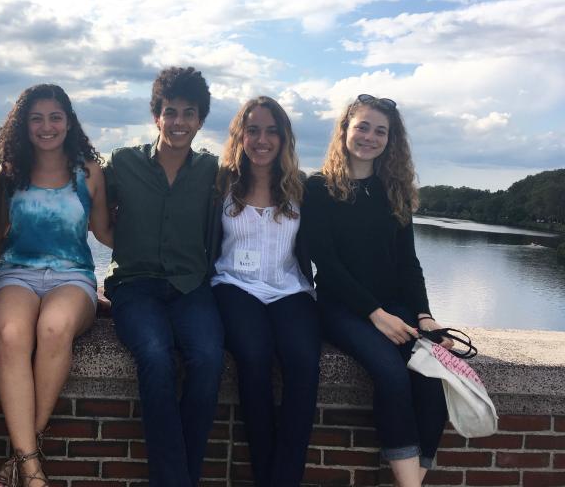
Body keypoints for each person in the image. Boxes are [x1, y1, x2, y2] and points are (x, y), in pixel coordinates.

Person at [303, 94, 453, 487]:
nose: (370, 137)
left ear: (391, 139)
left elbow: (409, 263)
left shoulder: (394, 190)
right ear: (345, 130)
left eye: (380, 131)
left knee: (432, 378)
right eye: (363, 127)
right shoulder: (318, 188)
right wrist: (375, 314)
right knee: (390, 374)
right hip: (340, 308)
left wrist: (423, 314)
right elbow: (327, 265)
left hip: (395, 307)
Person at [104, 67, 224, 487]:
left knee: (209, 360)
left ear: (200, 120)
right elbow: (92, 211)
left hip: (191, 286)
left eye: (188, 113)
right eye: (170, 112)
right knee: (154, 356)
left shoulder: (214, 172)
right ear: (157, 116)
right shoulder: (122, 163)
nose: (178, 122)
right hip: (135, 285)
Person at [0, 84, 112, 487]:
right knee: (12, 335)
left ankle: (26, 451)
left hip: (73, 276)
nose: (46, 126)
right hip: (16, 274)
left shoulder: (89, 172)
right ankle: (32, 468)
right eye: (36, 118)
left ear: (68, 121)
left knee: (54, 329)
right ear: (23, 126)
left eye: (55, 117)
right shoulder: (7, 175)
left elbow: (106, 233)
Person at [210, 96, 320, 487]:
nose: (262, 139)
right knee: (253, 357)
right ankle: (264, 473)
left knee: (304, 363)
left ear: (284, 138)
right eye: (253, 130)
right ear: (240, 136)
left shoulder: (302, 189)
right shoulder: (221, 183)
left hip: (289, 289)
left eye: (272, 131)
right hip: (234, 286)